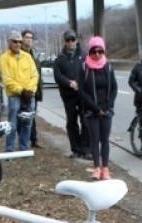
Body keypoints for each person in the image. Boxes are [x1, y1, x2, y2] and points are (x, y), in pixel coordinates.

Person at [79, 36, 118, 180]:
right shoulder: (84, 67)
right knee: (94, 140)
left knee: (105, 140)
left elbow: (114, 88)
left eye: (100, 51)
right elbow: (82, 91)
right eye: (93, 51)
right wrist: (96, 108)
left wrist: (108, 106)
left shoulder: (108, 66)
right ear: (89, 52)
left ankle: (105, 168)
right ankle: (96, 168)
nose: (97, 54)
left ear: (103, 51)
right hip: (91, 110)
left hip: (106, 109)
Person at [54, 29, 92, 160]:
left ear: (77, 40)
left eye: (73, 40)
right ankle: (76, 149)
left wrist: (79, 82)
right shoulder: (60, 58)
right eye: (68, 40)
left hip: (82, 94)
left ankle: (86, 149)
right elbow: (58, 76)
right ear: (65, 42)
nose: (70, 43)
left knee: (86, 121)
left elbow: (89, 71)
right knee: (71, 123)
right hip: (68, 95)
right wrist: (69, 83)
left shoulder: (84, 55)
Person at [0, 30, 39, 152]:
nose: (17, 44)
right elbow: (7, 79)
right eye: (15, 41)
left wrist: (30, 90)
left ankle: (24, 148)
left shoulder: (27, 57)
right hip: (14, 96)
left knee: (27, 123)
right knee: (13, 123)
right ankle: (10, 150)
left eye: (19, 42)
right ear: (9, 42)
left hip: (29, 95)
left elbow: (34, 75)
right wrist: (21, 91)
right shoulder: (4, 58)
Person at [20, 29, 43, 148]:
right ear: (22, 39)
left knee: (32, 116)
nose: (29, 40)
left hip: (34, 91)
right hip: (24, 92)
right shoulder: (19, 55)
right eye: (26, 37)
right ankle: (24, 142)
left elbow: (37, 75)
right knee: (24, 117)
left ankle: (33, 140)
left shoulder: (33, 55)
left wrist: (38, 92)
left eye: (31, 38)